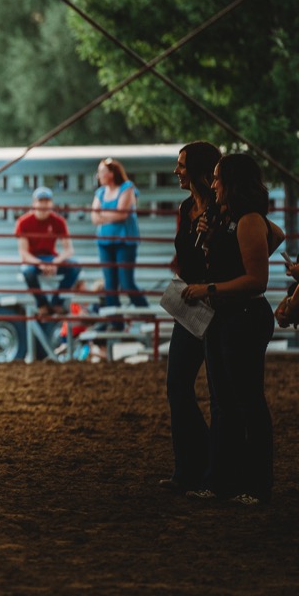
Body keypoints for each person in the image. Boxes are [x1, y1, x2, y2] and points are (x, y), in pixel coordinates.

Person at [181, 154, 283, 505]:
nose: (213, 185)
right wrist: (213, 245)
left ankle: (255, 485)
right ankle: (223, 481)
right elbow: (277, 236)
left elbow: (256, 281)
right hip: (226, 317)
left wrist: (208, 289)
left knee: (246, 401)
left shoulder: (249, 220)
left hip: (242, 316)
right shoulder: (233, 219)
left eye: (218, 178)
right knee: (224, 402)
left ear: (233, 183)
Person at [158, 140, 221, 494]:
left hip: (214, 300)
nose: (176, 170)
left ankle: (206, 466)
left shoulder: (220, 209)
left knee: (218, 392)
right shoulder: (187, 207)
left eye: (182, 165)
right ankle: (190, 468)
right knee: (177, 385)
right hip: (190, 303)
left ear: (197, 169)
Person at [91, 157, 149, 311]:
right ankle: (116, 323)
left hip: (125, 242)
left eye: (102, 172)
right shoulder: (100, 192)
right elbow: (93, 217)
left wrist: (102, 214)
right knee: (110, 284)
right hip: (104, 243)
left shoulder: (127, 188)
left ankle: (147, 315)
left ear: (112, 173)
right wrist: (110, 215)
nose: (99, 175)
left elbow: (122, 214)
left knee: (126, 283)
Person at [15, 186, 81, 317]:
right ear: (34, 203)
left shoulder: (58, 221)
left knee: (75, 266)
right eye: (41, 201)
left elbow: (69, 249)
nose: (44, 204)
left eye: (47, 201)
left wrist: (55, 262)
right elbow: (23, 252)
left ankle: (57, 302)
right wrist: (40, 263)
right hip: (33, 260)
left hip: (51, 257)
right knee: (27, 272)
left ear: (52, 203)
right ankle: (42, 305)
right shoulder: (23, 222)